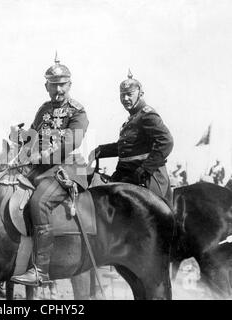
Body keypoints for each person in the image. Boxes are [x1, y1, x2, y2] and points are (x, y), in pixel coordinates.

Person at [10, 54, 89, 286]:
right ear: (46, 86)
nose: (58, 90)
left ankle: (40, 271)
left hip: (70, 169)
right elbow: (32, 136)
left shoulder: (77, 111)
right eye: (54, 85)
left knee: (40, 202)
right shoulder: (43, 109)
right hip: (41, 170)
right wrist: (18, 136)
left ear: (70, 85)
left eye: (62, 84)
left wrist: (41, 155)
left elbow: (70, 143)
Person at [89, 70, 174, 205]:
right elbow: (126, 148)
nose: (125, 99)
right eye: (122, 95)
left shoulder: (147, 115)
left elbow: (166, 142)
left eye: (129, 94)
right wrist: (99, 150)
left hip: (146, 176)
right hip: (126, 173)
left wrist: (146, 168)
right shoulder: (132, 119)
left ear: (140, 94)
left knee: (155, 216)